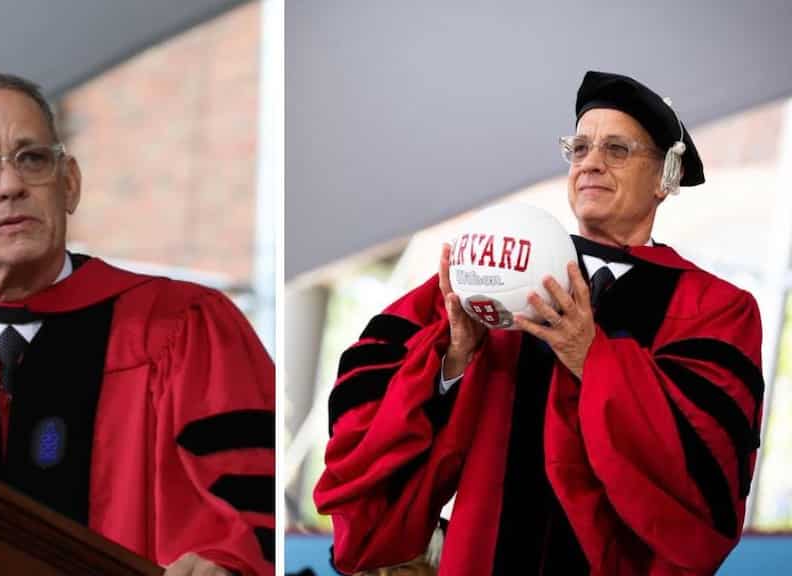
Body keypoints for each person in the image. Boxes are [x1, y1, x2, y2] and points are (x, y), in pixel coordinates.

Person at [0, 72, 275, 576]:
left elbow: (252, 513)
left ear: (69, 183)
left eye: (32, 159)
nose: (11, 186)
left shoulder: (182, 328)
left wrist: (228, 563)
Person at [314, 71, 764, 575]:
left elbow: (703, 473)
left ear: (664, 178)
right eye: (580, 148)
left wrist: (593, 359)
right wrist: (452, 358)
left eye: (616, 149)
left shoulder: (714, 307)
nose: (591, 162)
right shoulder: (500, 273)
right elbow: (368, 403)